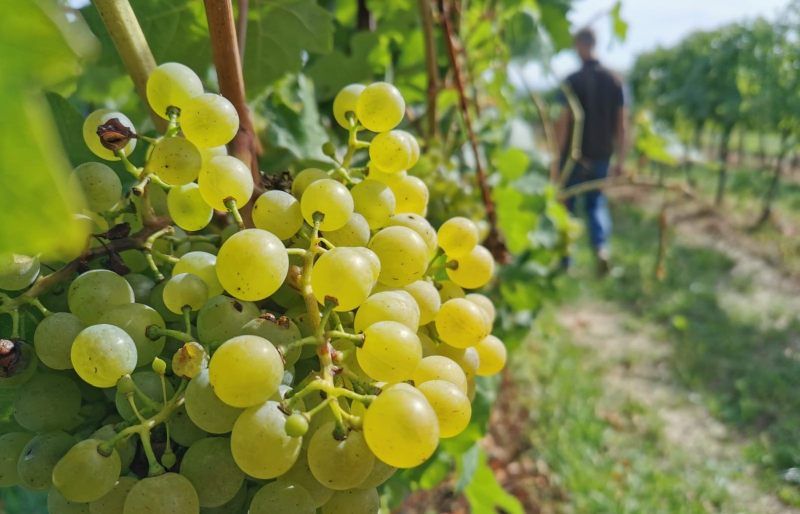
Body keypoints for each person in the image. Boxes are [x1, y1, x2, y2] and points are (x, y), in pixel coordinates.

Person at [556, 27, 628, 274]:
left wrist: (556, 159)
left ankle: (565, 259)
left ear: (579, 45)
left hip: (573, 158)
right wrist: (622, 158)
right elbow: (622, 124)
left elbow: (564, 123)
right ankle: (601, 248)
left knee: (567, 205)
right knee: (596, 203)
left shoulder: (571, 81)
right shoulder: (614, 80)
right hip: (602, 155)